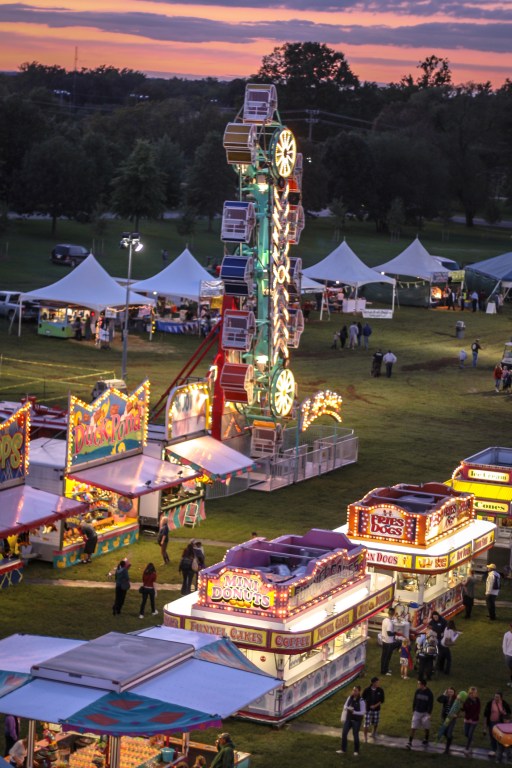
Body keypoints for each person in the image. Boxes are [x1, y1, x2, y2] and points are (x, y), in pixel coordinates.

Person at [406, 678, 433, 750]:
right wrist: (413, 710)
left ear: (422, 685)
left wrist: (429, 713)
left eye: (419, 684)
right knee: (413, 727)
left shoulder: (429, 693)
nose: (418, 685)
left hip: (425, 713)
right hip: (417, 712)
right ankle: (409, 742)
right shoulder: (417, 691)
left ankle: (426, 739)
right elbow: (414, 701)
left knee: (426, 728)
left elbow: (430, 704)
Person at [338, 685, 366, 756]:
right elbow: (345, 705)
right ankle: (343, 749)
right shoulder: (350, 697)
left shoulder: (361, 701)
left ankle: (356, 751)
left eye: (355, 691)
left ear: (359, 691)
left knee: (355, 735)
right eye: (353, 690)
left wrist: (354, 712)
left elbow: (363, 712)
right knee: (344, 733)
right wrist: (347, 708)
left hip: (356, 720)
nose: (354, 692)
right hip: (349, 718)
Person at [484, 692, 511, 757]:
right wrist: (484, 727)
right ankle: (494, 750)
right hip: (492, 722)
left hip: (501, 724)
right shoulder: (490, 703)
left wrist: (504, 713)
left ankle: (501, 751)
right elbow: (485, 715)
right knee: (492, 736)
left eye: (498, 697)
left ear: (501, 698)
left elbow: (509, 713)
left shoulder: (504, 704)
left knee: (500, 737)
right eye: (495, 697)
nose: (496, 698)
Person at [362, 676, 385, 741]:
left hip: (376, 709)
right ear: (373, 683)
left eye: (378, 682)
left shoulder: (380, 690)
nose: (378, 684)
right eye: (377, 682)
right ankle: (365, 737)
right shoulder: (367, 690)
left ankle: (374, 732)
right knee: (366, 723)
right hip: (368, 709)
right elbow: (363, 698)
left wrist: (375, 706)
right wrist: (366, 705)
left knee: (375, 722)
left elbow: (382, 700)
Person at [380, 607, 401, 675]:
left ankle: (383, 669)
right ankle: (384, 671)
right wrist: (395, 633)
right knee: (387, 657)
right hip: (388, 642)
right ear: (393, 614)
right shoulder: (389, 623)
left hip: (384, 640)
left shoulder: (385, 620)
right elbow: (389, 633)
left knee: (384, 656)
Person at [437, 686, 458, 754]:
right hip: (445, 718)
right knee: (444, 732)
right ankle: (450, 739)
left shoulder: (456, 699)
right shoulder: (445, 698)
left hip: (452, 719)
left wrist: (456, 714)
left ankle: (447, 749)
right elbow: (438, 700)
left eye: (452, 692)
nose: (450, 693)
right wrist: (444, 694)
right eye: (449, 692)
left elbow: (460, 708)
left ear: (454, 692)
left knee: (448, 734)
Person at [462, 686, 481, 756]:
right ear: (470, 693)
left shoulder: (477, 700)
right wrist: (461, 705)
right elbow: (464, 709)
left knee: (469, 734)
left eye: (475, 693)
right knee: (466, 733)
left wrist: (472, 719)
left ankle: (467, 749)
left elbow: (478, 711)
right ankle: (471, 739)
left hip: (474, 720)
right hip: (467, 719)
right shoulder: (467, 700)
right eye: (472, 693)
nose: (473, 694)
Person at [503, 623, 512, 688]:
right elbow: (504, 645)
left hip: (508, 655)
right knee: (510, 669)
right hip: (508, 655)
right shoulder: (507, 634)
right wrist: (505, 653)